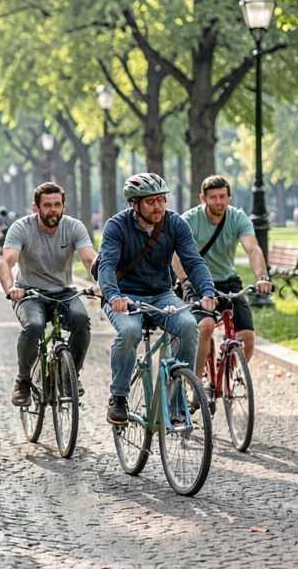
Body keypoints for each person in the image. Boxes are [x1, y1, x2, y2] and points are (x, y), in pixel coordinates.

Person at [96, 173, 216, 426]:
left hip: (161, 294)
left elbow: (193, 262)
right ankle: (119, 397)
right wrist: (113, 295)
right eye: (151, 202)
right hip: (124, 296)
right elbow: (106, 265)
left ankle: (176, 402)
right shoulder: (116, 226)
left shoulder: (175, 224)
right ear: (135, 204)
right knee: (129, 331)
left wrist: (207, 292)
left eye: (162, 199)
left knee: (188, 326)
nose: (158, 206)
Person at [0, 182, 99, 405]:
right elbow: (7, 261)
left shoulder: (73, 227)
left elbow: (89, 258)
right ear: (36, 208)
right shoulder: (21, 228)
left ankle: (70, 375)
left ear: (63, 206)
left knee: (82, 321)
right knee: (34, 326)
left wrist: (101, 282)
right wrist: (11, 289)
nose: (53, 210)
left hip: (64, 292)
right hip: (28, 293)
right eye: (47, 205)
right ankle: (23, 380)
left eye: (57, 205)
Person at [173, 176, 273, 387]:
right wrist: (185, 281)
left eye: (222, 197)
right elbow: (174, 254)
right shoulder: (189, 220)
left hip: (228, 282)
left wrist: (262, 277)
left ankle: (228, 377)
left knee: (247, 336)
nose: (218, 202)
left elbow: (253, 248)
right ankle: (196, 386)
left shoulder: (237, 218)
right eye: (213, 197)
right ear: (203, 198)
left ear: (229, 197)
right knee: (205, 326)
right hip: (197, 283)